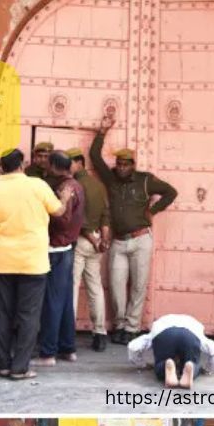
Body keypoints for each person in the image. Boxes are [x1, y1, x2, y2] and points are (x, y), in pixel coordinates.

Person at [0, 148, 65, 380]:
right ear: (22, 165)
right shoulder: (38, 186)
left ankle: (2, 364)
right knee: (28, 315)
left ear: (0, 167)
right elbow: (59, 211)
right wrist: (65, 198)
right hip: (32, 261)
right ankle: (19, 368)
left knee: (0, 313)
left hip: (0, 261)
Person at [91, 117, 178, 345]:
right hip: (118, 242)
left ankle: (132, 327)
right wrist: (102, 132)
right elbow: (94, 157)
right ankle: (119, 325)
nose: (121, 167)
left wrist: (154, 210)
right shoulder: (110, 179)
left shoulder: (145, 180)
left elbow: (171, 192)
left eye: (125, 164)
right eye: (119, 163)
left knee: (139, 285)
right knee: (117, 287)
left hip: (141, 239)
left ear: (133, 165)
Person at [33, 151, 85, 367]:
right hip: (66, 249)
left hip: (55, 249)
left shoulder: (65, 188)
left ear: (54, 166)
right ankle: (68, 348)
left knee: (52, 303)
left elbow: (63, 219)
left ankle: (48, 353)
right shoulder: (76, 185)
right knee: (63, 302)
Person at [67, 147, 111, 352]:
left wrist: (93, 240)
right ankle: (100, 333)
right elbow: (105, 214)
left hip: (81, 241)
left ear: (79, 163)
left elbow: (79, 221)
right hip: (96, 239)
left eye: (70, 163)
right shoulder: (99, 186)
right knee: (95, 289)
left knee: (73, 287)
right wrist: (102, 239)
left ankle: (68, 334)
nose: (67, 167)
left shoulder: (75, 186)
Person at [127, 314, 214, 389]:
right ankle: (191, 366)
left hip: (163, 334)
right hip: (190, 335)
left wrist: (142, 365)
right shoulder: (196, 326)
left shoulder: (157, 325)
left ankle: (166, 365)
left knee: (160, 364)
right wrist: (208, 369)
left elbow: (133, 347)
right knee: (194, 362)